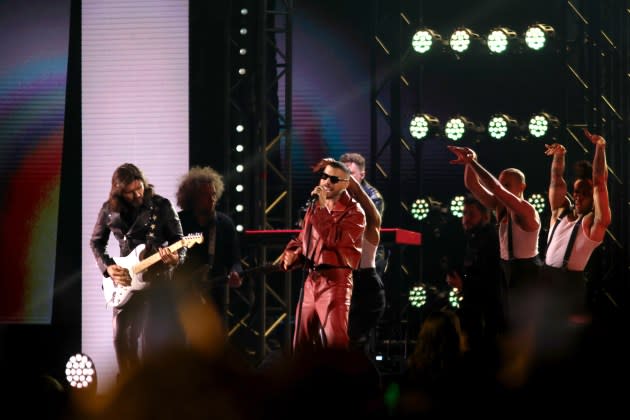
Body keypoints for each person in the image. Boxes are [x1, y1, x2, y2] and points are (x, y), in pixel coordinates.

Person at [90, 163, 186, 379]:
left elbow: (180, 242)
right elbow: (96, 243)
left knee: (150, 341)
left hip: (156, 281)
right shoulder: (109, 211)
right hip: (124, 281)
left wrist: (174, 259)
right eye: (130, 192)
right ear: (119, 192)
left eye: (139, 188)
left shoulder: (161, 206)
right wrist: (109, 268)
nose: (137, 195)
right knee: (121, 340)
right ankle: (128, 391)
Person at [447, 145, 542, 335]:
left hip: (526, 270)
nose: (502, 189)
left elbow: (495, 188)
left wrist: (473, 162)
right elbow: (472, 185)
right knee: (503, 324)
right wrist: (470, 160)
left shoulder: (527, 210)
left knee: (525, 327)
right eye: (502, 184)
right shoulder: (499, 206)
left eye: (508, 185)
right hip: (505, 268)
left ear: (522, 187)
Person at [280, 159, 366, 352]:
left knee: (335, 343)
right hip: (312, 279)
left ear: (345, 184)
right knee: (301, 343)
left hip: (336, 281)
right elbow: (303, 238)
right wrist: (292, 254)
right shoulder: (314, 207)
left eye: (334, 179)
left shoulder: (355, 213)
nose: (326, 182)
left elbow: (334, 239)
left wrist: (320, 208)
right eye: (324, 176)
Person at [315, 157, 386, 355]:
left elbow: (368, 212)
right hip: (339, 282)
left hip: (363, 285)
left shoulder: (366, 216)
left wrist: (344, 176)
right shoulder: (334, 215)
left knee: (351, 345)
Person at [542, 129, 611, 329]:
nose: (578, 196)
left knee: (564, 339)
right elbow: (556, 180)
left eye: (585, 193)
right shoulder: (559, 212)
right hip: (545, 278)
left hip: (569, 285)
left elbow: (600, 183)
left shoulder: (594, 223)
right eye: (576, 192)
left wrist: (600, 147)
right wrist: (559, 155)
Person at [174, 166, 243, 324]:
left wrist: (235, 273)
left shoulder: (225, 224)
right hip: (183, 297)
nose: (212, 199)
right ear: (193, 198)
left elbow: (235, 260)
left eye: (213, 194)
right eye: (206, 195)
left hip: (215, 296)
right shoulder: (178, 222)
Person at [445, 196, 505, 364]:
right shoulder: (472, 238)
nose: (466, 219)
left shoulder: (490, 240)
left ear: (485, 216)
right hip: (475, 309)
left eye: (471, 214)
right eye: (464, 213)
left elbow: (491, 280)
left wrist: (463, 284)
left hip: (485, 314)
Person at [339, 152, 387, 275]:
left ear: (362, 175)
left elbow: (363, 227)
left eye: (350, 174)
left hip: (368, 257)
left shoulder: (373, 198)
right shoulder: (335, 194)